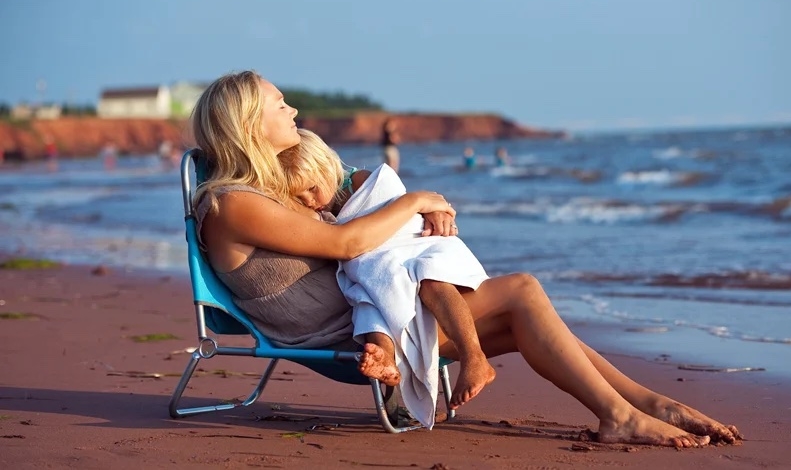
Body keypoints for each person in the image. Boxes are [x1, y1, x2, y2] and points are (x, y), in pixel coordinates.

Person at [190, 70, 740, 447]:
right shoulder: (234, 204)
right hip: (352, 338)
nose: (293, 109)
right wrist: (416, 201)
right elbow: (346, 244)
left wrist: (414, 201)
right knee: (522, 292)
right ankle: (623, 413)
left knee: (529, 315)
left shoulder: (275, 186)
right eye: (279, 104)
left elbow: (351, 184)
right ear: (247, 124)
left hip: (374, 320)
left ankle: (642, 404)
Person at [278, 129, 496, 420]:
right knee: (368, 301)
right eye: (299, 196)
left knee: (430, 279)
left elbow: (395, 204)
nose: (309, 200)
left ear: (326, 167)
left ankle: (474, 357)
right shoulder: (317, 212)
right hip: (376, 265)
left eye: (312, 188)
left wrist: (428, 212)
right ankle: (384, 359)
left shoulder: (364, 182)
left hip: (413, 250)